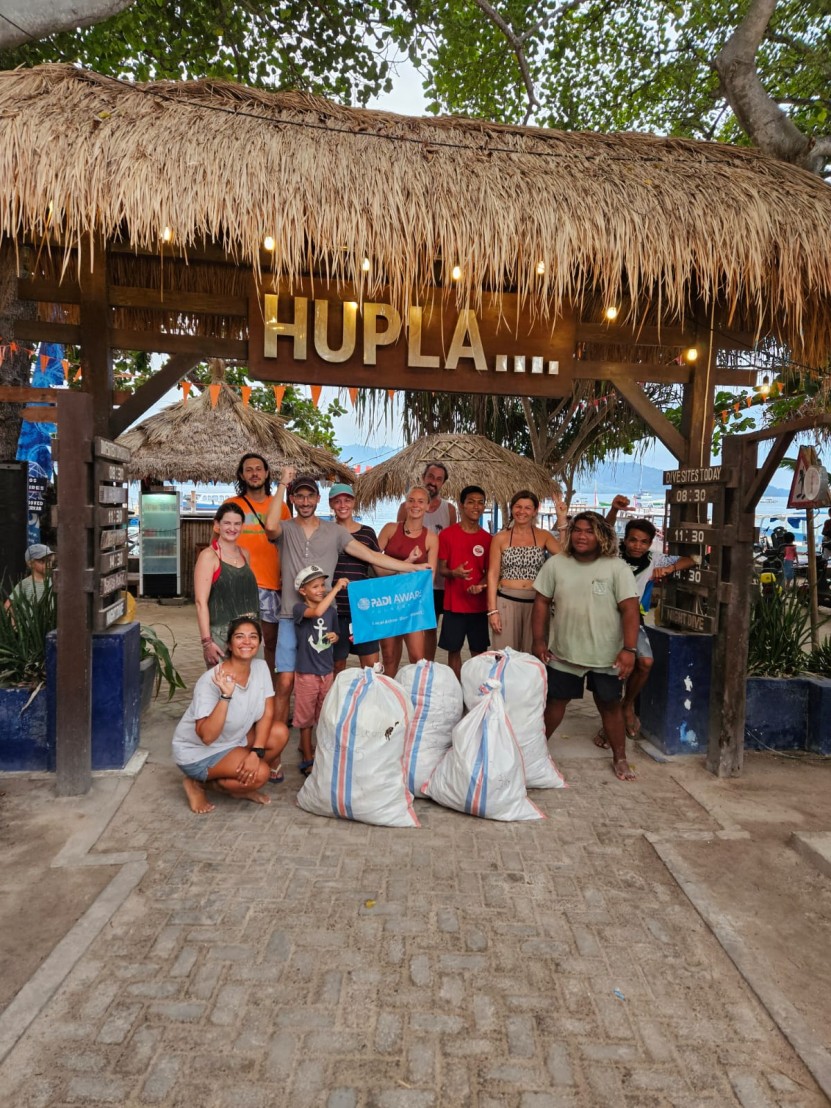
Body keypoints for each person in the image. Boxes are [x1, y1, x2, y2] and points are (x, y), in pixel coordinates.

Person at [265, 468, 432, 724]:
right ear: (293, 499)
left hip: (323, 619)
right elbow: (269, 526)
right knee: (286, 681)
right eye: (300, 496)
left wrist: (412, 567)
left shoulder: (336, 533)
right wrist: (281, 483)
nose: (306, 501)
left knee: (324, 677)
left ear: (318, 499)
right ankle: (274, 736)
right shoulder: (285, 529)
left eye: (311, 496)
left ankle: (322, 730)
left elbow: (373, 557)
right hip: (291, 615)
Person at [531, 511, 640, 782]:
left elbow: (630, 609)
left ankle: (620, 758)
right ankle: (533, 753)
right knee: (555, 703)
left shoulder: (617, 568)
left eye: (589, 531)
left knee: (609, 705)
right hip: (565, 652)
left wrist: (629, 650)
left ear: (601, 535)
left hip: (606, 656)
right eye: (578, 530)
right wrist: (539, 640)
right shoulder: (556, 564)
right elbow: (541, 602)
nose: (581, 536)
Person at [172, 617, 289, 814]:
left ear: (259, 642)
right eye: (239, 637)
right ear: (229, 644)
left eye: (253, 637)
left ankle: (240, 785)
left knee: (280, 732)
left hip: (234, 739)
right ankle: (198, 783)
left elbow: (267, 712)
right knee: (261, 774)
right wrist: (225, 696)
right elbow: (207, 737)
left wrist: (256, 753)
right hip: (199, 751)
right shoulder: (210, 681)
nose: (246, 642)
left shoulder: (260, 668)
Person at [603, 514, 699, 740]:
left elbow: (693, 559)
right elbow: (603, 530)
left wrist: (669, 568)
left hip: (634, 617)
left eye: (644, 541)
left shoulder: (654, 559)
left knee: (645, 662)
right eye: (633, 540)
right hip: (605, 617)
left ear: (650, 543)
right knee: (611, 670)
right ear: (624, 540)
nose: (638, 546)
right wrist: (615, 510)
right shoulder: (612, 556)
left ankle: (627, 705)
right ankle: (609, 725)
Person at [224, 453, 291, 681]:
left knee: (270, 642)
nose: (254, 473)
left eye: (259, 469)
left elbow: (287, 545)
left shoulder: (280, 507)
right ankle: (239, 688)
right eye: (249, 469)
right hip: (240, 585)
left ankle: (267, 693)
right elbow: (219, 546)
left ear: (267, 473)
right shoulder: (231, 505)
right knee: (240, 642)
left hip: (272, 584)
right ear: (242, 475)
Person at [486, 490, 565, 653]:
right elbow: (493, 575)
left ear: (535, 511)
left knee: (533, 655)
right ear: (512, 508)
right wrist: (492, 611)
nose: (522, 511)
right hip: (506, 601)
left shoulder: (544, 536)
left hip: (536, 603)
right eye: (518, 507)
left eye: (528, 508)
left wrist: (562, 519)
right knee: (505, 655)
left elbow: (565, 557)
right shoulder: (500, 538)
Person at [398, 461, 456, 660]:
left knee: (430, 627)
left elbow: (451, 544)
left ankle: (427, 666)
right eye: (431, 477)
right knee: (406, 625)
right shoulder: (405, 507)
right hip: (407, 579)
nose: (433, 482)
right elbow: (399, 539)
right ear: (423, 477)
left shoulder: (449, 510)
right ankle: (410, 664)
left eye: (439, 479)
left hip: (437, 582)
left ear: (443, 484)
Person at [378, 485, 439, 676]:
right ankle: (390, 698)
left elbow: (429, 577)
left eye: (421, 501)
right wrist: (408, 565)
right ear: (405, 504)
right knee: (388, 656)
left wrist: (393, 570)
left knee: (417, 657)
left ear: (428, 506)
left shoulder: (431, 538)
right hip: (386, 601)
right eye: (411, 500)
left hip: (412, 604)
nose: (415, 505)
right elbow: (374, 566)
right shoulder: (389, 529)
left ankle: (415, 700)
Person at [292, 565, 348, 776]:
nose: (321, 589)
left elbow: (335, 634)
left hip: (327, 672)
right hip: (306, 673)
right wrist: (336, 589)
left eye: (323, 585)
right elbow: (316, 612)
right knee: (305, 719)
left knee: (323, 715)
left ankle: (319, 750)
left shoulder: (332, 612)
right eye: (314, 586)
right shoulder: (299, 610)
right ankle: (307, 755)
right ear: (303, 591)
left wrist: (335, 636)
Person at [194, 503, 260, 668]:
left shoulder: (245, 554)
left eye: (237, 524)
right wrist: (207, 642)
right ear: (217, 525)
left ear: (242, 526)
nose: (232, 528)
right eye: (227, 523)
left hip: (251, 633)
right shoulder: (209, 556)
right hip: (223, 635)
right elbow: (200, 603)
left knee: (254, 688)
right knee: (225, 689)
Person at [437, 485, 492, 680]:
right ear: (461, 505)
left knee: (479, 653)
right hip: (454, 605)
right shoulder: (446, 535)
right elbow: (441, 569)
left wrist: (481, 585)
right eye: (471, 502)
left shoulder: (488, 539)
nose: (476, 507)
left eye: (480, 503)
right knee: (454, 651)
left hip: (478, 607)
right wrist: (454, 573)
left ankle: (477, 690)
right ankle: (456, 691)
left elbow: (490, 572)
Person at [329, 483, 381, 673]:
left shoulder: (367, 532)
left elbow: (379, 567)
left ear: (354, 502)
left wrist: (407, 564)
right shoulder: (326, 532)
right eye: (337, 501)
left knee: (371, 668)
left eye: (347, 500)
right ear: (331, 504)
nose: (343, 505)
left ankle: (368, 703)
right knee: (336, 667)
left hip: (363, 610)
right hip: (333, 611)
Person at [5, 543, 54, 609]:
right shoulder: (24, 584)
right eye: (42, 561)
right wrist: (13, 619)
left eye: (49, 560)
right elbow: (7, 606)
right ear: (30, 564)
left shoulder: (53, 581)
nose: (48, 564)